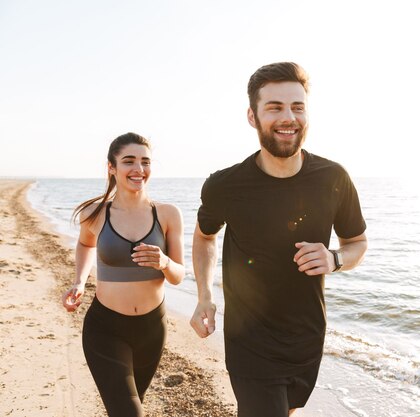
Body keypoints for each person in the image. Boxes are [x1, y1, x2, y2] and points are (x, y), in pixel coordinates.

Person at [190, 62, 368, 416]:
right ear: (253, 117)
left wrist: (335, 259)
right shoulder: (225, 185)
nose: (288, 117)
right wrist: (204, 296)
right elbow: (204, 237)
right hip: (249, 342)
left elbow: (357, 243)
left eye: (297, 107)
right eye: (274, 107)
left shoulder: (333, 178)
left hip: (307, 337)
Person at [61, 132, 185, 417]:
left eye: (145, 162)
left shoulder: (168, 214)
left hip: (152, 330)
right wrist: (80, 281)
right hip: (105, 328)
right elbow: (84, 244)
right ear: (111, 167)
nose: (138, 169)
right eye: (129, 161)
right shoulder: (94, 213)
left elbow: (178, 275)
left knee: (127, 408)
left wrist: (164, 262)